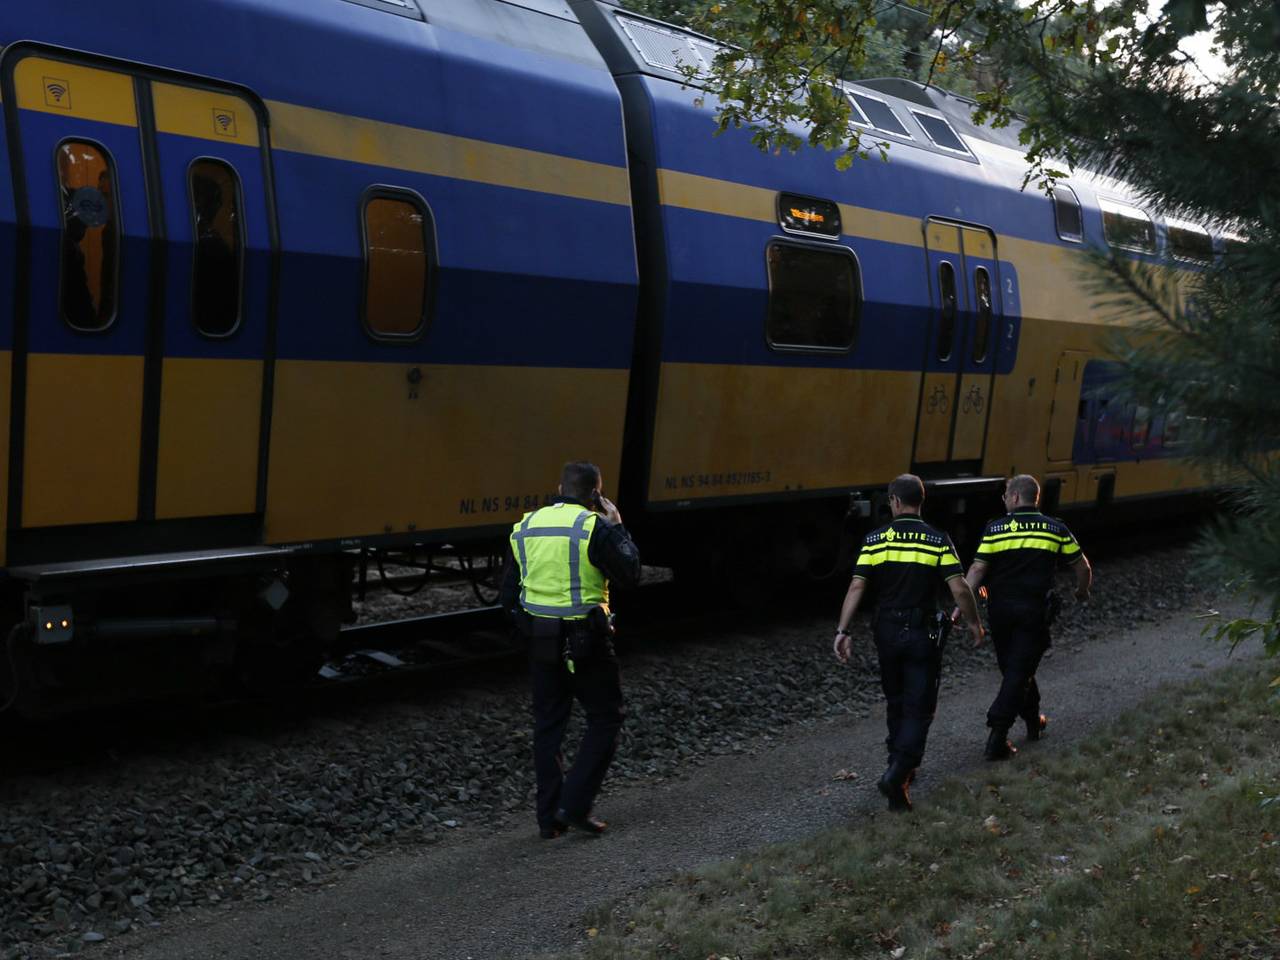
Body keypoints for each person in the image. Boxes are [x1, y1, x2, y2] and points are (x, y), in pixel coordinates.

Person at [499, 461, 641, 839]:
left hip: (541, 641)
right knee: (606, 717)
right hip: (586, 642)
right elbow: (630, 573)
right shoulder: (594, 527)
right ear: (596, 495)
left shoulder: (525, 526)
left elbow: (508, 596)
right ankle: (575, 804)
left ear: (558, 485)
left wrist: (531, 627)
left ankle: (549, 820)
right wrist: (619, 526)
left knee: (548, 724)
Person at [834, 474, 983, 812]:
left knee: (896, 700)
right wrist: (974, 622)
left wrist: (842, 631)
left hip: (885, 632)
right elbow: (959, 588)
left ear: (895, 502)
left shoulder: (875, 539)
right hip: (921, 635)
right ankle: (898, 772)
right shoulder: (937, 540)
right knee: (920, 708)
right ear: (921, 501)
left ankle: (895, 765)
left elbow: (857, 587)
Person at [960, 474, 1092, 761]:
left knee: (1016, 670)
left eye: (1006, 494)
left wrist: (962, 602)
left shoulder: (995, 529)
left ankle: (1025, 724)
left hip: (1000, 613)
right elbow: (1082, 567)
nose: (1004, 499)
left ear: (1016, 497)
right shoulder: (1055, 529)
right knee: (1019, 672)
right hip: (1033, 613)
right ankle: (999, 732)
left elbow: (976, 571)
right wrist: (1081, 592)